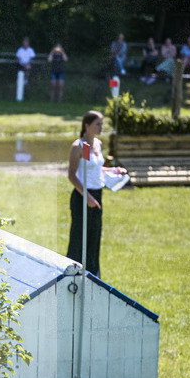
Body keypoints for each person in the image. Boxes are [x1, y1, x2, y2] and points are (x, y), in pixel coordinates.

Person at [66, 111, 127, 279]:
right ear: (87, 125)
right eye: (97, 124)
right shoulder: (80, 146)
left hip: (96, 195)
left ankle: (93, 276)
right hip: (82, 197)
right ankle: (73, 275)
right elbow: (72, 175)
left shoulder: (97, 144)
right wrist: (87, 197)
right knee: (80, 237)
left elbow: (93, 169)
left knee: (94, 237)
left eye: (102, 124)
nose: (101, 127)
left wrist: (114, 170)